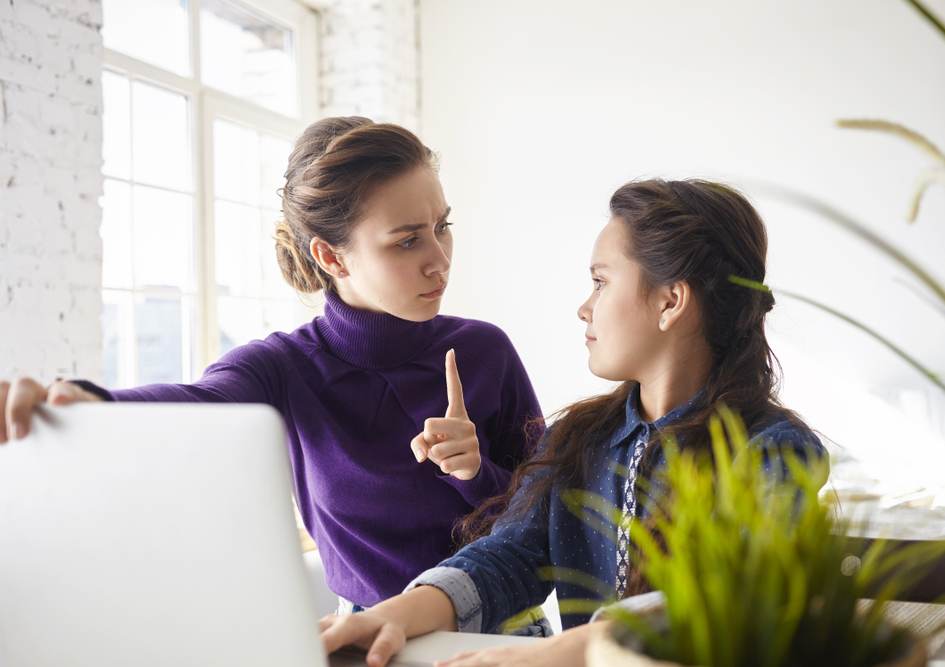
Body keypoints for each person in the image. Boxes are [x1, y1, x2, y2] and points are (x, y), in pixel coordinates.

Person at [0, 117, 543, 614]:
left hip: (499, 632)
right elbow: (200, 402)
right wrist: (87, 403)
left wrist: (478, 476)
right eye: (407, 241)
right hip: (366, 644)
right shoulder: (281, 368)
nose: (439, 258)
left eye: (442, 227)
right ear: (330, 256)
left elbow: (551, 521)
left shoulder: (485, 351)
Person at [317, 178, 828, 667]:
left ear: (670, 301)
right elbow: (507, 557)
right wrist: (392, 618)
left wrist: (565, 651)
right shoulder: (579, 439)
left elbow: (732, 594)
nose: (584, 308)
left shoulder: (773, 450)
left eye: (600, 282)